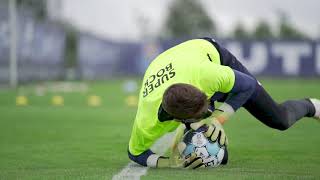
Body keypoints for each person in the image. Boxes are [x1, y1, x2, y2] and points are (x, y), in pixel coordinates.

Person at [128, 38, 320, 169]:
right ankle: (198, 124)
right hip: (176, 68)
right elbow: (135, 153)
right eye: (201, 114)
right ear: (176, 118)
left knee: (280, 119)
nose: (206, 114)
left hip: (207, 52)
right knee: (221, 156)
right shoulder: (147, 121)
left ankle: (314, 106)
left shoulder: (208, 75)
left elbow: (248, 85)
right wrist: (168, 163)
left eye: (206, 108)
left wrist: (218, 118)